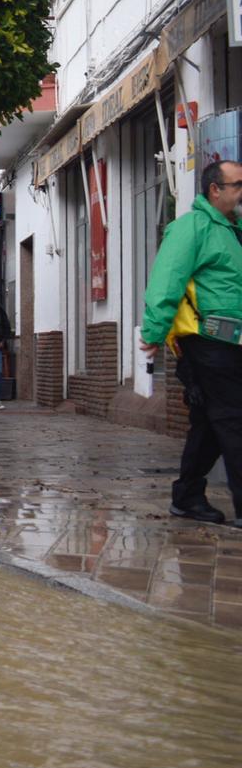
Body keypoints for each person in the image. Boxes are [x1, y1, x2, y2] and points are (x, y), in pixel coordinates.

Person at [140, 159, 242, 527]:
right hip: (207, 341)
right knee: (233, 420)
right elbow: (166, 281)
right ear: (215, 190)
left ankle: (187, 497)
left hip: (233, 342)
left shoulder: (233, 229)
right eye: (238, 185)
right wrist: (153, 332)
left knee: (212, 423)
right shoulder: (191, 229)